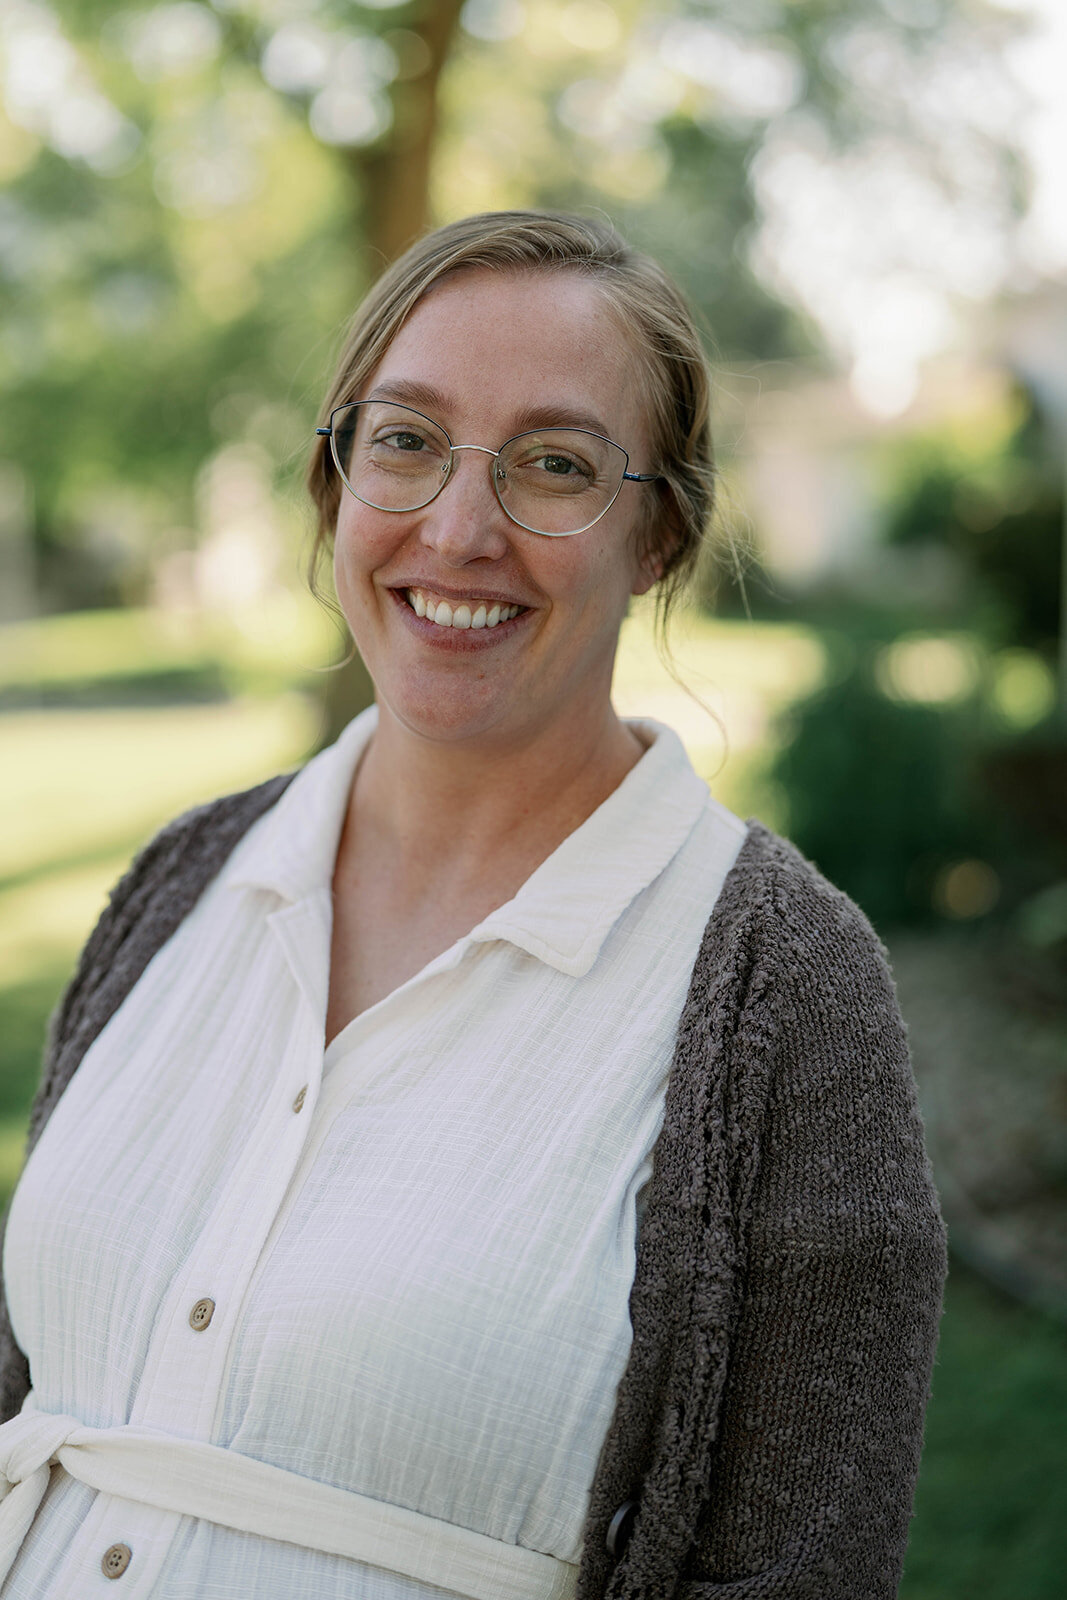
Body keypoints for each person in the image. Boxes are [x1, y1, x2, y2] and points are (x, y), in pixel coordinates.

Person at [0, 211, 947, 1600]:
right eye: (405, 440)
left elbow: (799, 1567)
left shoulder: (783, 988)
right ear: (334, 482)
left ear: (659, 536)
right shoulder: (184, 878)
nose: (459, 527)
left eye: (555, 464)